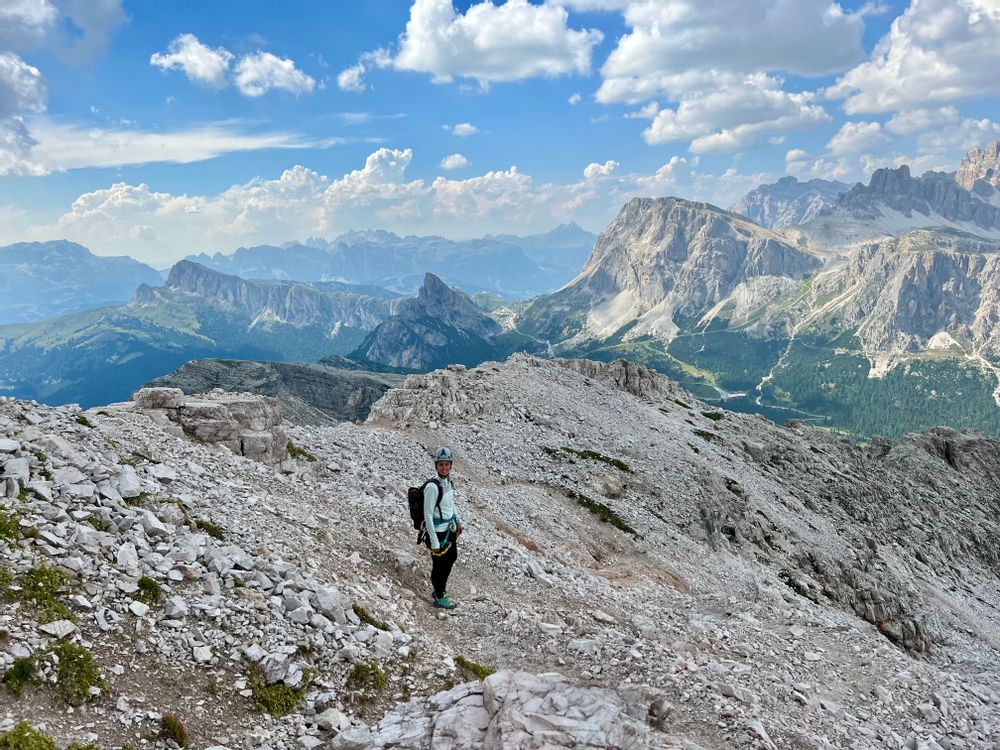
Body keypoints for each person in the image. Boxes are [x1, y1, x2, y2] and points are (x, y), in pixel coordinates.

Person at [424, 446, 462, 609]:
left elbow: (451, 503)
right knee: (439, 565)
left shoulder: (448, 482)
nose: (444, 467)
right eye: (441, 464)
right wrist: (433, 540)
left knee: (451, 557)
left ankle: (440, 589)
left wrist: (457, 519)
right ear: (436, 466)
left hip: (448, 529)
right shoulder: (432, 487)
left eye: (447, 464)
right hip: (438, 533)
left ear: (451, 465)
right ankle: (439, 596)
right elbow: (427, 515)